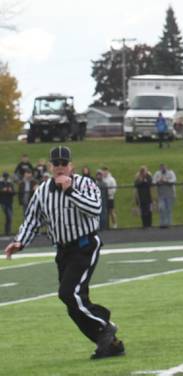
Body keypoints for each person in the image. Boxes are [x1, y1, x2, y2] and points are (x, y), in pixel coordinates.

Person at [4, 146, 124, 359]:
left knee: (69, 293)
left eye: (63, 164)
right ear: (50, 167)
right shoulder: (42, 190)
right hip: (63, 250)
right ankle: (109, 344)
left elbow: (95, 209)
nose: (59, 167)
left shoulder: (86, 184)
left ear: (71, 166)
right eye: (56, 164)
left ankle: (105, 325)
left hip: (85, 245)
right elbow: (33, 219)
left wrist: (70, 190)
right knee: (72, 303)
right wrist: (20, 242)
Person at [153, 163, 177, 229]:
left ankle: (169, 224)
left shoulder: (171, 173)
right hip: (161, 194)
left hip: (170, 194)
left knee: (169, 209)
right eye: (162, 168)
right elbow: (153, 181)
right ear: (160, 168)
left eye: (164, 168)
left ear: (167, 168)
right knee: (161, 208)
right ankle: (162, 224)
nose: (163, 169)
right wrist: (159, 181)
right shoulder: (157, 173)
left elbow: (174, 180)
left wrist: (166, 180)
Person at [0, 172, 14, 236]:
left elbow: (13, 192)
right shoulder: (1, 183)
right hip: (3, 202)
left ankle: (8, 231)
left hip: (9, 202)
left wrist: (10, 190)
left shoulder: (9, 183)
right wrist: (3, 190)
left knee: (9, 217)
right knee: (9, 216)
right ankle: (7, 231)